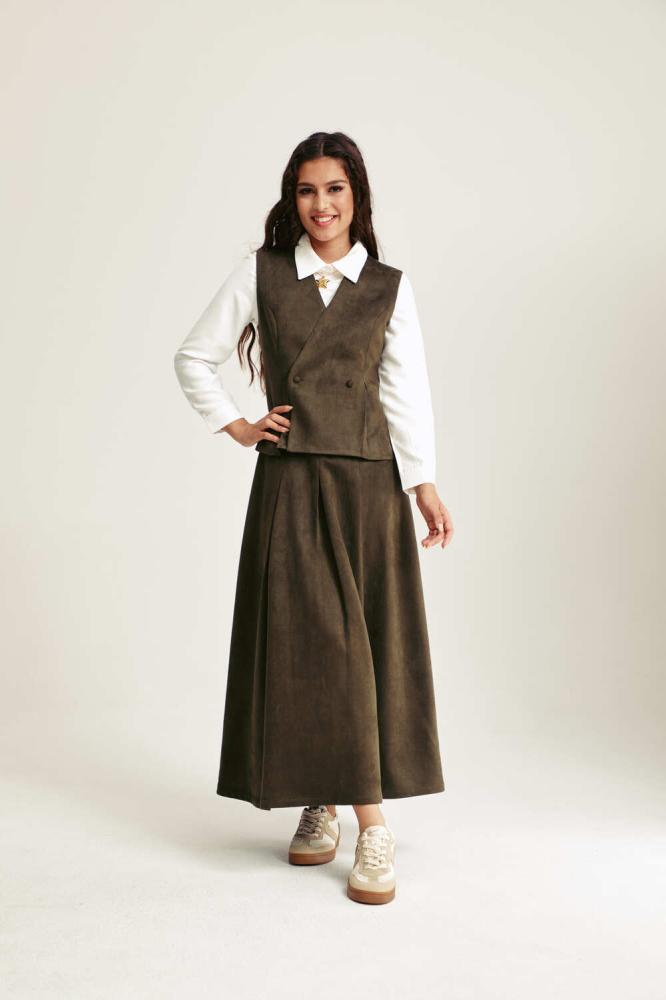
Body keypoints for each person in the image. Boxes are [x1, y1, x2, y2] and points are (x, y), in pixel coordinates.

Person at [174, 131, 454, 905]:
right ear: (291, 199)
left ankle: (349, 811)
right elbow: (194, 356)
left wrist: (423, 484)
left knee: (362, 649)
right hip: (293, 485)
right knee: (310, 646)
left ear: (357, 197)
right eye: (306, 190)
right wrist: (238, 425)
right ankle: (351, 812)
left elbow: (406, 391)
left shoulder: (388, 287)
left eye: (335, 189)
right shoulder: (262, 273)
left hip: (368, 489)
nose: (321, 205)